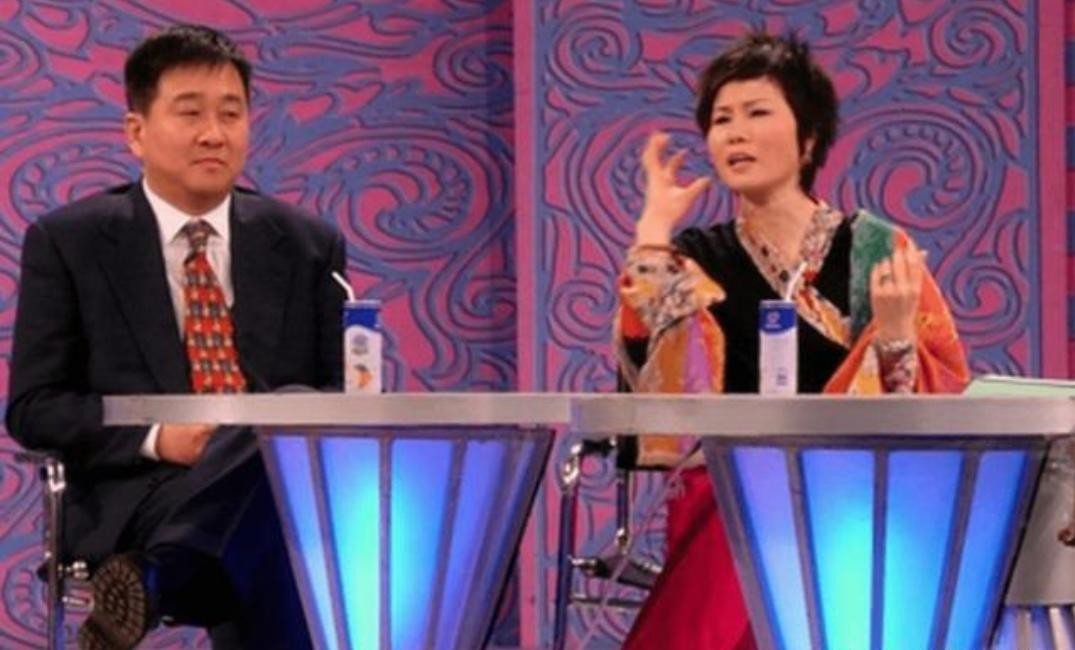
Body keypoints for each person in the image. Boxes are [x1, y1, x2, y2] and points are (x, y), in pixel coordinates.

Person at [614, 32, 970, 649]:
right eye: (721, 120)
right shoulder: (695, 258)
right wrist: (652, 232)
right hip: (729, 506)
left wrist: (892, 337)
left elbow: (939, 404)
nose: (736, 134)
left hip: (852, 504)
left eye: (757, 113)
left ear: (808, 140)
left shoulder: (877, 249)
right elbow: (664, 398)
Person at [6, 25, 345, 650]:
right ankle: (160, 568)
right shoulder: (70, 242)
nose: (214, 134)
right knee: (279, 537)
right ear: (136, 132)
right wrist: (162, 439)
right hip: (137, 495)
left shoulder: (308, 245)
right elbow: (36, 408)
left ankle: (156, 578)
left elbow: (337, 397)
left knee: (284, 424)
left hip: (274, 490)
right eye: (190, 113)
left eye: (231, 114)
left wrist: (249, 438)